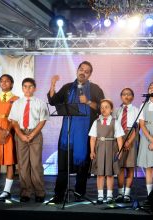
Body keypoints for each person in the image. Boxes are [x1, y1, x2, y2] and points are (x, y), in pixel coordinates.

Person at [47, 61, 104, 204]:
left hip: (85, 134)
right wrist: (53, 84)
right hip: (67, 134)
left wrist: (88, 102)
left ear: (90, 74)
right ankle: (59, 195)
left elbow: (102, 108)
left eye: (86, 71)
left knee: (82, 167)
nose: (83, 72)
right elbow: (53, 101)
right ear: (77, 70)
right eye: (81, 69)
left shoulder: (95, 89)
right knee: (62, 167)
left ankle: (79, 193)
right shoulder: (67, 87)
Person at [9, 78, 49, 203]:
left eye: (30, 86)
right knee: (23, 164)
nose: (28, 89)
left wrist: (32, 135)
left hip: (35, 133)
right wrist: (20, 135)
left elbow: (42, 121)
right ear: (22, 88)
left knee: (36, 164)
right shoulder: (17, 103)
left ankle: (39, 192)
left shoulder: (40, 103)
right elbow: (14, 121)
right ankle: (25, 192)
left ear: (35, 88)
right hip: (21, 133)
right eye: (25, 86)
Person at [89, 99, 124, 204]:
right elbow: (92, 138)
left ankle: (109, 196)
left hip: (111, 149)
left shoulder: (115, 122)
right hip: (99, 149)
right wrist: (92, 151)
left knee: (109, 173)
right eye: (102, 107)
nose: (103, 109)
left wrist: (120, 151)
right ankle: (100, 196)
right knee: (100, 174)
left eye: (106, 107)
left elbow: (119, 138)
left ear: (111, 109)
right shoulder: (96, 122)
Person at [114, 88, 139, 203]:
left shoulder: (136, 110)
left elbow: (136, 127)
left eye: (129, 94)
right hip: (119, 137)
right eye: (124, 94)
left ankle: (127, 194)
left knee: (130, 167)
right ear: (121, 97)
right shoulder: (117, 110)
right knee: (120, 167)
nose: (126, 96)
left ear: (133, 97)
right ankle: (120, 193)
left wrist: (130, 140)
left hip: (131, 137)